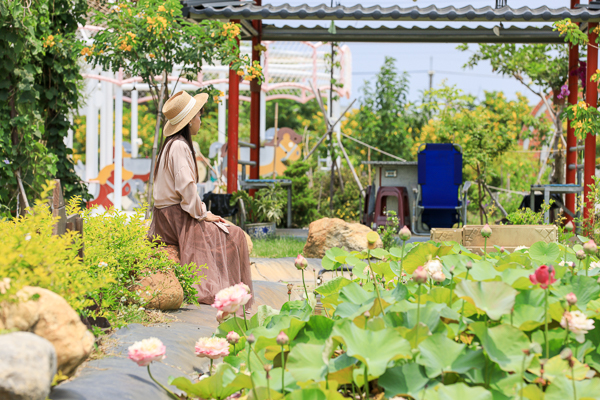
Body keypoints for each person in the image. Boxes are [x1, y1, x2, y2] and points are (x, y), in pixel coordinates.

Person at [148, 90, 253, 308]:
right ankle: (232, 292)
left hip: (167, 217)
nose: (200, 120)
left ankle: (233, 291)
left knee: (227, 232)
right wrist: (204, 214)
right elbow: (186, 190)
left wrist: (203, 213)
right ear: (188, 122)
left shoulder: (171, 145)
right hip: (176, 219)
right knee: (234, 235)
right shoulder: (179, 146)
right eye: (198, 115)